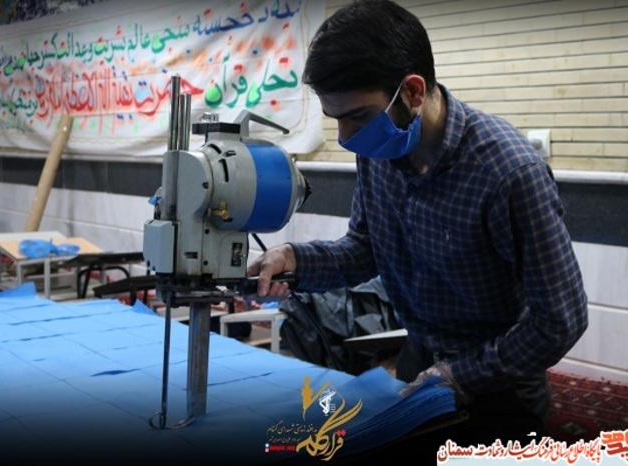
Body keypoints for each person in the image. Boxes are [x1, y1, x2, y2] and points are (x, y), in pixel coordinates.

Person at [247, 0, 588, 455]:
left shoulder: (508, 173)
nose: (347, 137)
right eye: (335, 119)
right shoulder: (378, 151)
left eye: (357, 116)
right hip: (419, 363)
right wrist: (294, 259)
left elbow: (561, 320)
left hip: (498, 385)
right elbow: (364, 249)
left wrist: (461, 375)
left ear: (412, 91)